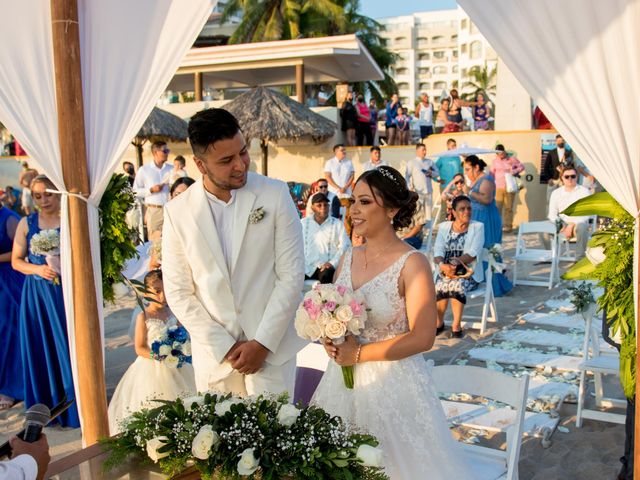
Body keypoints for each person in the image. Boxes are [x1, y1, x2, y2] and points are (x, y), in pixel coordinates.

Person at [312, 166, 481, 480]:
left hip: (394, 383)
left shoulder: (412, 263)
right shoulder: (347, 258)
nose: (355, 211)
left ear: (391, 209)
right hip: (341, 381)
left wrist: (359, 355)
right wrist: (329, 336)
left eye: (365, 202)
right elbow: (334, 312)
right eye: (353, 203)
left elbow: (422, 337)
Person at [162, 108, 306, 397]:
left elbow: (291, 276)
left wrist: (262, 343)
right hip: (216, 359)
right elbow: (178, 291)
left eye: (242, 152)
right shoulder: (178, 212)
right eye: (226, 160)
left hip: (272, 352)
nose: (240, 165)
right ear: (200, 165)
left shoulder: (274, 194)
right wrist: (223, 345)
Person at [11, 176, 80, 428]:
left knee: (66, 345)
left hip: (64, 292)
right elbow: (16, 261)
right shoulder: (26, 223)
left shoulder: (71, 218)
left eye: (47, 194)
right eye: (37, 196)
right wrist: (37, 270)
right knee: (40, 345)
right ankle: (45, 406)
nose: (43, 200)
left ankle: (72, 406)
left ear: (57, 193)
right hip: (37, 293)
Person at [108, 269, 196, 434]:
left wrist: (179, 348)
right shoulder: (144, 316)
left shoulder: (173, 313)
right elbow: (139, 347)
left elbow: (183, 337)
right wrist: (158, 355)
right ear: (145, 291)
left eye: (165, 290)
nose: (162, 296)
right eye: (157, 291)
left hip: (176, 365)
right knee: (153, 405)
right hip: (151, 367)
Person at [433, 196, 484, 338]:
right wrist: (443, 265)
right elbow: (437, 251)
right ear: (454, 212)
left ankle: (456, 325)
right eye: (462, 209)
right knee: (440, 285)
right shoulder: (444, 227)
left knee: (457, 283)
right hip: (445, 270)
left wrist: (455, 263)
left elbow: (474, 252)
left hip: (468, 272)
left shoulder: (478, 227)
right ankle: (439, 323)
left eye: (469, 208)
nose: (466, 211)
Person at [463, 156, 512, 296]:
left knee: (489, 250)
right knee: (477, 249)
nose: (466, 172)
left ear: (476, 167)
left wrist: (470, 192)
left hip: (487, 219)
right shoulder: (476, 180)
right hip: (477, 218)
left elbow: (486, 199)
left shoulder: (487, 180)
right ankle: (480, 281)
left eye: (468, 169)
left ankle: (495, 285)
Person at [0, 205, 24, 410]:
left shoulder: (10, 219)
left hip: (8, 281)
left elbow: (21, 251)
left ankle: (10, 388)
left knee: (7, 331)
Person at [301, 193, 350, 284]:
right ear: (312, 208)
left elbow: (345, 246)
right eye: (319, 205)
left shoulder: (337, 224)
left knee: (327, 276)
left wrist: (332, 263)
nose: (323, 207)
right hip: (306, 267)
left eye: (326, 205)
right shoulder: (303, 224)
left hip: (326, 268)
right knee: (292, 277)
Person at [548, 165, 592, 260]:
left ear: (577, 177)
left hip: (578, 223)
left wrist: (572, 225)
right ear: (562, 178)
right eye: (567, 177)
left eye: (573, 176)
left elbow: (587, 213)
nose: (570, 179)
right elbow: (552, 214)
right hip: (561, 223)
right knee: (543, 229)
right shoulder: (556, 193)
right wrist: (560, 225)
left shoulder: (584, 191)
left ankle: (579, 259)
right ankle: (549, 257)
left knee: (582, 227)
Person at [133, 141, 173, 237]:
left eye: (168, 150)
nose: (167, 153)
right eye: (165, 151)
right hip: (154, 210)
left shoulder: (172, 169)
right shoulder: (144, 170)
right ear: (155, 152)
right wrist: (150, 190)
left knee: (172, 240)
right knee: (155, 243)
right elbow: (135, 191)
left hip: (171, 210)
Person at [490, 144, 525, 233]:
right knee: (498, 207)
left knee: (508, 207)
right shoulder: (495, 161)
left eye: (501, 152)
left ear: (504, 151)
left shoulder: (511, 159)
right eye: (498, 153)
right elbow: (491, 174)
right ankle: (497, 226)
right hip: (498, 187)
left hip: (510, 187)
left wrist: (514, 171)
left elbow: (521, 167)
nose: (500, 155)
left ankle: (507, 226)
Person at [405, 143, 440, 223]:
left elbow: (437, 172)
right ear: (417, 151)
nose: (425, 152)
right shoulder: (412, 162)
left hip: (428, 192)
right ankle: (418, 231)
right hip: (418, 193)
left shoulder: (429, 162)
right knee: (417, 213)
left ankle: (428, 233)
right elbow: (407, 176)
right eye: (423, 150)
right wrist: (409, 187)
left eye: (425, 150)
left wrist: (431, 173)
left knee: (428, 215)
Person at [542, 134, 574, 202]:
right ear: (556, 142)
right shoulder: (551, 152)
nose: (560, 142)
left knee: (564, 200)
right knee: (550, 200)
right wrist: (549, 179)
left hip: (564, 180)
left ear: (564, 141)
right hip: (553, 180)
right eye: (558, 141)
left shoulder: (569, 153)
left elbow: (572, 167)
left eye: (562, 140)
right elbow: (545, 167)